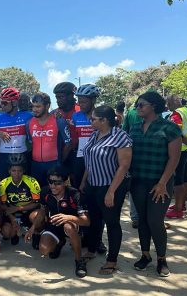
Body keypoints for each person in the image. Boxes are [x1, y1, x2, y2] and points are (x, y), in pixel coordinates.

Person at [129, 91, 181, 277]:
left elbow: (174, 158)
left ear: (153, 106)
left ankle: (161, 259)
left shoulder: (170, 128)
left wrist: (162, 183)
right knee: (141, 220)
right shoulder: (134, 127)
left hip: (161, 182)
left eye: (141, 104)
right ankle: (145, 255)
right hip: (138, 182)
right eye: (137, 105)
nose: (138, 108)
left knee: (155, 221)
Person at [80, 105, 132, 274]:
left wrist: (111, 191)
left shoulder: (120, 136)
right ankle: (92, 249)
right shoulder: (95, 135)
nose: (91, 121)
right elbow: (90, 160)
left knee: (112, 222)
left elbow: (124, 166)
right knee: (95, 220)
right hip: (93, 185)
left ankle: (112, 260)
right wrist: (83, 182)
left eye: (94, 118)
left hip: (111, 186)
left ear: (104, 121)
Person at [25, 167, 89, 278]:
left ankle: (79, 260)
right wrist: (33, 227)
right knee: (44, 250)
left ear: (65, 182)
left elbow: (86, 221)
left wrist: (68, 217)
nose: (53, 186)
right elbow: (42, 210)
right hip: (53, 224)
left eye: (57, 183)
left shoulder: (75, 194)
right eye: (50, 182)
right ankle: (60, 242)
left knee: (69, 227)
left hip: (71, 225)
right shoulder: (45, 191)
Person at [72, 84, 107, 254]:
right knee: (82, 201)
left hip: (99, 161)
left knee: (98, 205)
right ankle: (84, 234)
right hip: (80, 161)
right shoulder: (75, 116)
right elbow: (73, 140)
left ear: (93, 100)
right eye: (79, 100)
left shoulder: (101, 115)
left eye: (84, 101)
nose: (81, 103)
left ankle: (98, 239)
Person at [27, 92, 71, 187]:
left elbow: (68, 144)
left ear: (47, 106)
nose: (35, 109)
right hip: (36, 165)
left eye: (38, 107)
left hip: (54, 164)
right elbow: (30, 143)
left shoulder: (59, 121)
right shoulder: (29, 123)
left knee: (55, 193)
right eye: (33, 106)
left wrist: (60, 161)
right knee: (38, 194)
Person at [0, 87, 33, 179]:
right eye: (1, 102)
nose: (2, 105)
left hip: (22, 155)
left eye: (5, 103)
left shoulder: (28, 116)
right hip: (4, 157)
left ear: (15, 102)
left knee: (24, 186)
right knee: (4, 187)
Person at [0, 154, 41, 245]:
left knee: (37, 215)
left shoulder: (32, 182)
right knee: (6, 233)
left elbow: (37, 203)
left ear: (24, 171)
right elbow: (4, 204)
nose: (17, 174)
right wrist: (12, 217)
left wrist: (19, 208)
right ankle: (15, 232)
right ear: (9, 171)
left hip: (28, 210)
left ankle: (36, 233)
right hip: (12, 211)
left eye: (20, 171)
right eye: (14, 171)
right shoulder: (3, 183)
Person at [165, 95, 187, 219]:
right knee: (186, 178)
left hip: (180, 149)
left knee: (178, 180)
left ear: (174, 102)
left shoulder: (176, 114)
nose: (167, 106)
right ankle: (182, 205)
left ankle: (178, 209)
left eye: (168, 103)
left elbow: (176, 132)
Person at [50, 82, 80, 180]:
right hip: (60, 155)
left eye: (61, 97)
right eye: (56, 97)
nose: (58, 101)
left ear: (71, 96)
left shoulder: (80, 111)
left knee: (77, 183)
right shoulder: (54, 113)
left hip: (78, 155)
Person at [122, 104, 143, 228]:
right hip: (140, 156)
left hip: (133, 153)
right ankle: (140, 217)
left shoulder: (130, 112)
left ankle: (135, 217)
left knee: (134, 188)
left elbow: (125, 131)